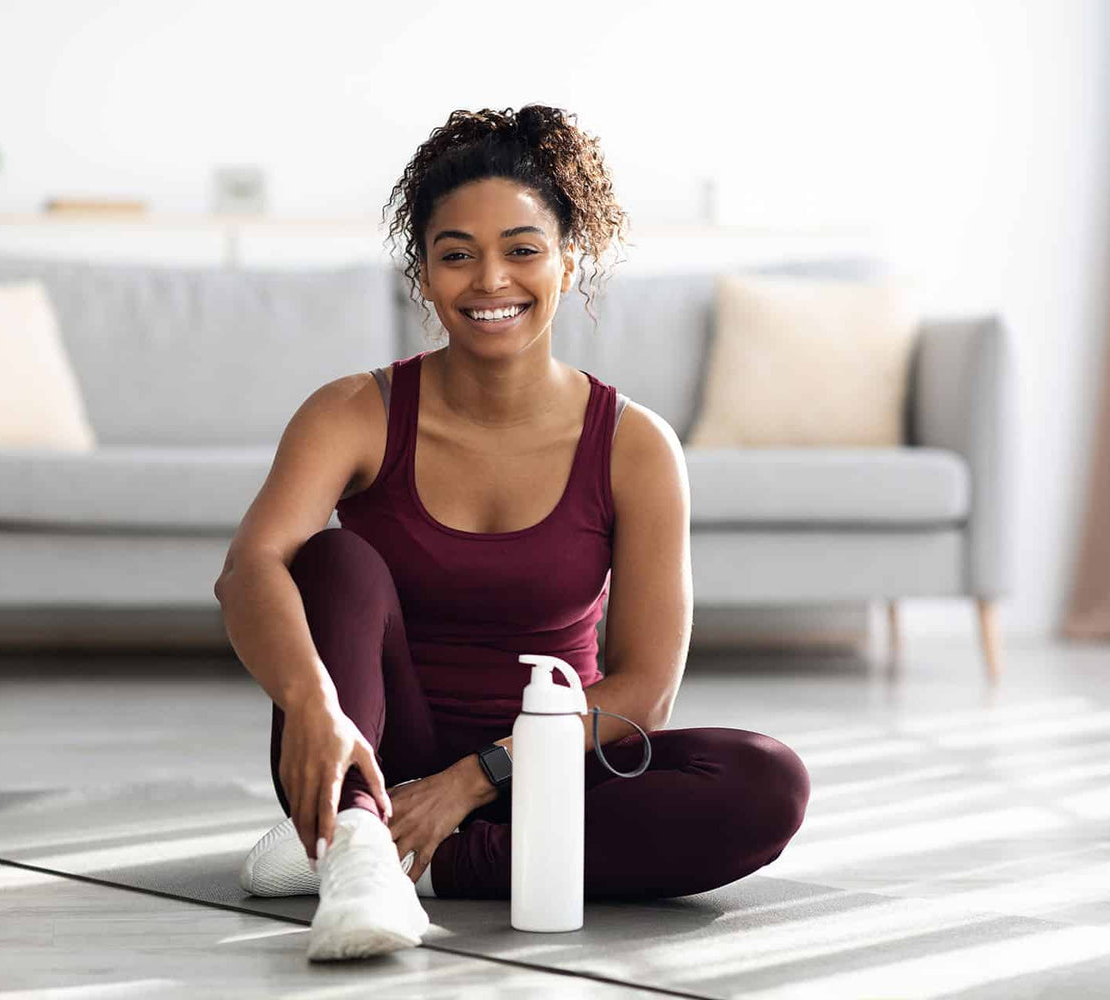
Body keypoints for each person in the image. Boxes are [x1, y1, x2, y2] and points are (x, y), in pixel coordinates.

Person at [213, 104, 810, 963]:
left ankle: (395, 860)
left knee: (765, 780)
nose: (490, 281)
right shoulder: (353, 412)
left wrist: (472, 783)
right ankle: (357, 826)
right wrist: (314, 708)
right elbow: (250, 568)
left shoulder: (635, 444)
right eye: (457, 254)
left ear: (570, 258)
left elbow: (644, 688)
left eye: (522, 249)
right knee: (334, 560)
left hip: (550, 768)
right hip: (373, 751)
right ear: (423, 272)